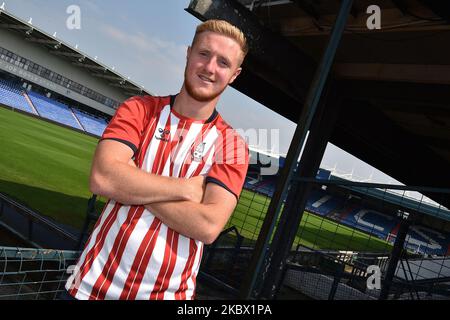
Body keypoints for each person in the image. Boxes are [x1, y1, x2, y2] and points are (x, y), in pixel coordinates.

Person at [64, 19, 249, 300]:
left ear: (234, 75)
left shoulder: (233, 145)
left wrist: (130, 181)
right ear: (188, 54)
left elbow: (208, 226)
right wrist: (185, 189)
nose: (210, 68)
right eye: (203, 54)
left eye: (223, 63)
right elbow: (103, 178)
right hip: (90, 287)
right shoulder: (139, 109)